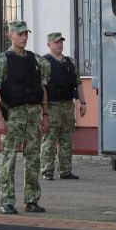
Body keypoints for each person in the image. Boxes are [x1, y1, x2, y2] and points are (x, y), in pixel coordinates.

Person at [0, 20, 50, 215]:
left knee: (33, 158)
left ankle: (32, 200)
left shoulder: (36, 60)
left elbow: (42, 89)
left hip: (33, 115)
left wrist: (45, 115)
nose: (23, 37)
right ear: (10, 35)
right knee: (9, 159)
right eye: (19, 34)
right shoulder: (2, 60)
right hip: (13, 115)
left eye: (25, 34)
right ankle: (6, 200)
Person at [40, 32, 86, 180]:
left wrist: (83, 102)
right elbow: (41, 87)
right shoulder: (44, 62)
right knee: (49, 139)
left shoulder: (69, 62)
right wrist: (44, 110)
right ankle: (47, 170)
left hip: (67, 105)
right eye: (56, 42)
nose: (59, 45)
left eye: (61, 42)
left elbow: (78, 83)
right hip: (52, 106)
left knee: (67, 139)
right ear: (49, 45)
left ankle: (65, 170)